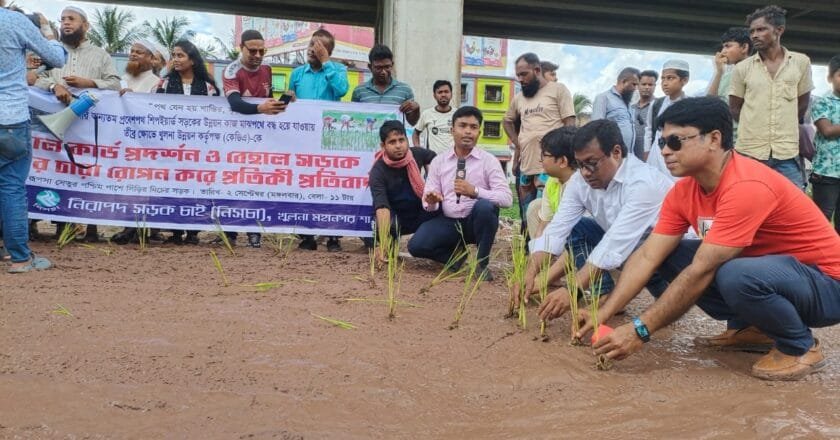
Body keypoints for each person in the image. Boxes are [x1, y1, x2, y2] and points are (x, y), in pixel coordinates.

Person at [584, 97, 840, 381]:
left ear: (714, 139)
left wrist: (640, 329)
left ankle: (800, 346)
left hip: (828, 286)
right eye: (662, 143)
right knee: (668, 252)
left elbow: (702, 269)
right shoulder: (683, 193)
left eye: (676, 141)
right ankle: (752, 329)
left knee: (733, 272)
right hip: (778, 277)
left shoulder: (745, 185)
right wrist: (602, 314)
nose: (666, 151)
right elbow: (648, 256)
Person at [514, 120, 673, 319]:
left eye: (591, 163)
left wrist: (574, 289)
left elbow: (614, 243)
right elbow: (557, 229)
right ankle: (604, 293)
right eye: (580, 165)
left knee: (669, 300)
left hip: (663, 253)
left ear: (616, 153)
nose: (585, 173)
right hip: (627, 250)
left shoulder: (643, 183)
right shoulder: (580, 182)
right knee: (578, 228)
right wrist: (530, 273)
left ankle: (659, 295)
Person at [35, 5, 120, 242]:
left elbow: (114, 83)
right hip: (50, 125)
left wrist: (89, 82)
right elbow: (33, 78)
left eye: (71, 19)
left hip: (88, 127)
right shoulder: (50, 51)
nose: (65, 24)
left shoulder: (100, 55)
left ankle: (90, 227)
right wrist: (54, 86)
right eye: (62, 19)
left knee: (88, 170)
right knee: (53, 170)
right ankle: (56, 224)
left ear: (86, 26)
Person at [408, 106, 512, 281]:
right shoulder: (439, 161)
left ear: (479, 132)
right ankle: (455, 258)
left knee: (486, 207)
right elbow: (428, 200)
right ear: (452, 130)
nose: (468, 132)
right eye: (462, 126)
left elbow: (507, 198)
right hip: (449, 221)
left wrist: (476, 192)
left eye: (473, 127)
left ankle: (481, 264)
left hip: (475, 221)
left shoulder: (489, 161)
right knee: (416, 246)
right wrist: (432, 200)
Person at [0, 2, 65, 272]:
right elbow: (57, 58)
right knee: (11, 187)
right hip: (9, 118)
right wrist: (48, 30)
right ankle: (19, 258)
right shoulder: (13, 21)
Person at [729, 5, 813, 190]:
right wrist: (756, 125)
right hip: (750, 152)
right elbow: (735, 108)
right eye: (752, 31)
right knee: (747, 203)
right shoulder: (742, 68)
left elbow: (802, 104)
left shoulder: (801, 62)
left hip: (787, 153)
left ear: (779, 30)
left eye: (761, 29)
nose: (754, 35)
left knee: (794, 207)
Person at [222, 29, 288, 248]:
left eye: (262, 50)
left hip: (261, 138)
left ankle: (254, 231)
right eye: (252, 50)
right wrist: (261, 108)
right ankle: (229, 232)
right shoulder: (231, 71)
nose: (258, 55)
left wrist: (284, 102)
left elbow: (268, 102)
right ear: (240, 48)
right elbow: (235, 104)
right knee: (233, 183)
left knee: (256, 183)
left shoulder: (267, 69)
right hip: (236, 138)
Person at [290, 28, 350, 252]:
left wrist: (327, 64)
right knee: (304, 185)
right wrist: (290, 99)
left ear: (328, 51)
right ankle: (306, 235)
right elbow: (287, 103)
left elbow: (342, 90)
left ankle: (334, 236)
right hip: (303, 141)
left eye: (319, 47)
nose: (313, 50)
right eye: (311, 45)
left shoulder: (338, 70)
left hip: (329, 140)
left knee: (330, 186)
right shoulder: (297, 74)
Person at [503, 53, 576, 238]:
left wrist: (567, 155)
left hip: (551, 167)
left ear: (537, 70)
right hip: (527, 165)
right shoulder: (519, 98)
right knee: (528, 214)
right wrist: (518, 145)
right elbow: (507, 121)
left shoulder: (558, 90)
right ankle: (530, 252)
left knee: (546, 213)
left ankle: (548, 253)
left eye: (524, 74)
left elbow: (570, 123)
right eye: (518, 75)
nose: (520, 79)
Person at [155, 40, 220, 244]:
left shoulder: (209, 87)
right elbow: (153, 110)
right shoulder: (164, 84)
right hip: (171, 149)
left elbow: (216, 118)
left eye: (180, 55)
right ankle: (175, 231)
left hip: (198, 150)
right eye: (174, 55)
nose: (176, 59)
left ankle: (193, 232)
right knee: (173, 188)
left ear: (192, 60)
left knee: (196, 190)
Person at [369, 120, 438, 261]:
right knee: (386, 224)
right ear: (383, 146)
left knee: (442, 206)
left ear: (407, 140)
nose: (398, 146)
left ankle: (448, 248)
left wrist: (431, 179)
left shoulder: (417, 154)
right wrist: (383, 244)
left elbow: (433, 157)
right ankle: (387, 247)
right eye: (392, 142)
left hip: (419, 211)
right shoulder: (378, 171)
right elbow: (382, 207)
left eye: (401, 140)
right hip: (395, 218)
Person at [524, 127, 578, 241]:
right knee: (535, 207)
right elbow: (544, 223)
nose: (541, 160)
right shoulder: (552, 181)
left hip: (579, 239)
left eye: (544, 155)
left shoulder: (582, 186)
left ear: (562, 161)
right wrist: (537, 251)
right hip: (560, 232)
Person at [351, 44, 420, 125]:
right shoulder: (359, 91)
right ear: (370, 67)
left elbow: (412, 123)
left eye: (387, 67)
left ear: (392, 65)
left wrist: (416, 109)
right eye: (378, 68)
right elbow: (355, 117)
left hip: (394, 137)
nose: (383, 72)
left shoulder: (405, 90)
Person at [644, 59, 689, 180]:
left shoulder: (690, 105)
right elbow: (649, 130)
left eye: (670, 78)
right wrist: (647, 153)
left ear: (684, 80)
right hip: (655, 158)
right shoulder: (656, 104)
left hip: (678, 158)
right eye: (663, 79)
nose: (664, 83)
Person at [810, 55, 840, 235]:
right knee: (821, 220)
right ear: (830, 78)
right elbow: (826, 130)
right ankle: (816, 260)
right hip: (827, 173)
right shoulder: (823, 101)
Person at [591, 67, 640, 151]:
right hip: (612, 156)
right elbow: (596, 128)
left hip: (629, 155)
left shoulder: (629, 102)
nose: (636, 88)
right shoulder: (603, 98)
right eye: (634, 84)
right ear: (624, 81)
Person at [412, 80, 456, 154]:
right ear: (434, 95)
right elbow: (416, 134)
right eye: (440, 92)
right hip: (432, 160)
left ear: (451, 94)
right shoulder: (427, 114)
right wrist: (419, 151)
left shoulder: (457, 114)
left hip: (452, 160)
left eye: (446, 92)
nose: (443, 95)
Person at [631, 70, 657, 161]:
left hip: (652, 159)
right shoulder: (631, 108)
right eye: (644, 84)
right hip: (632, 159)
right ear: (638, 85)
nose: (647, 87)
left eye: (650, 85)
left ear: (655, 86)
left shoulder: (659, 107)